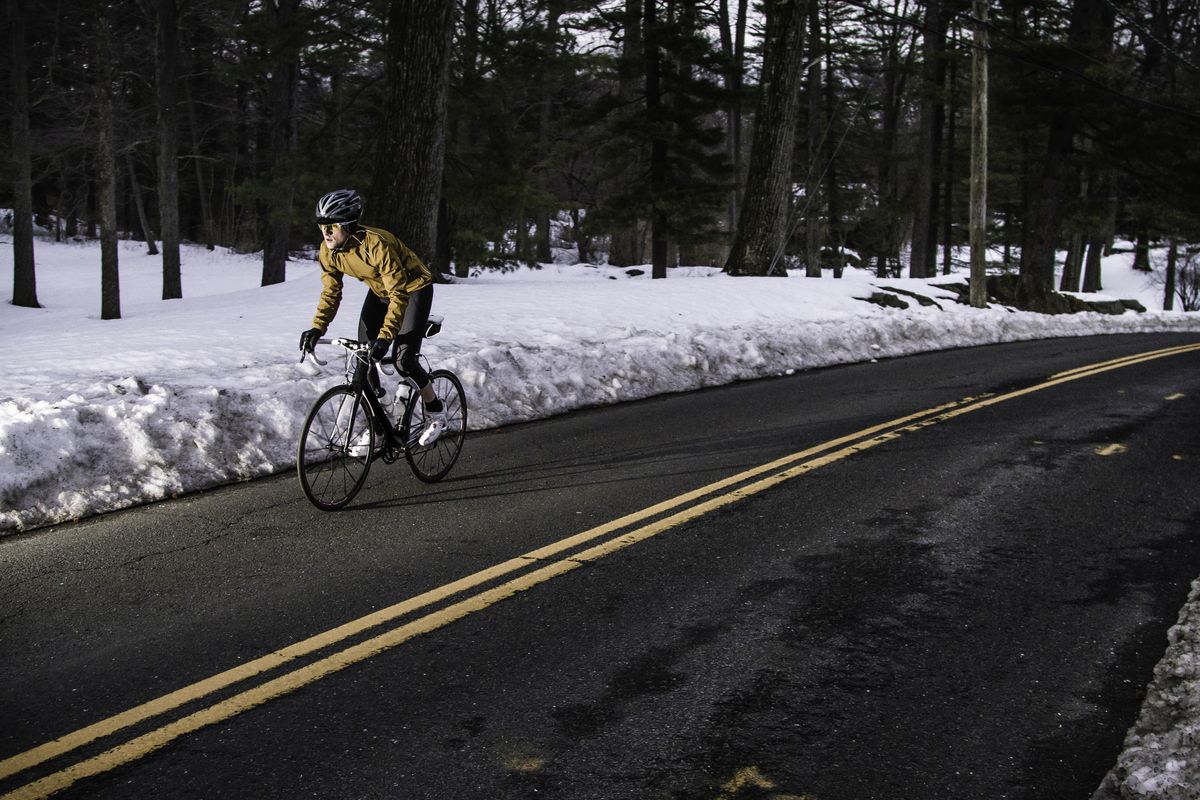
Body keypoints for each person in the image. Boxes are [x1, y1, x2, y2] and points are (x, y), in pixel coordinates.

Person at [299, 189, 448, 447]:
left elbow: (398, 293)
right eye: (322, 225)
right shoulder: (328, 251)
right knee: (362, 356)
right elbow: (331, 292)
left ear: (347, 224)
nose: (326, 232)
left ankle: (436, 410)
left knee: (403, 361)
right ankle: (380, 424)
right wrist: (317, 328)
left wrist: (385, 337)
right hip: (380, 292)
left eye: (332, 225)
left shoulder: (377, 243)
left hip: (412, 290)